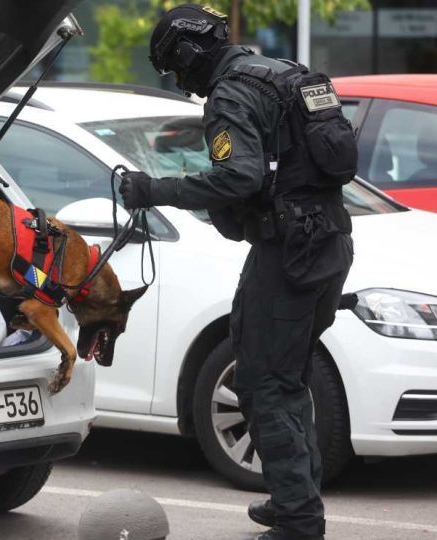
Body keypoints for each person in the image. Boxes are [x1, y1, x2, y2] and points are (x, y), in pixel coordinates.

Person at [119, 4, 356, 540]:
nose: (184, 84)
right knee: (287, 379)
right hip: (330, 245)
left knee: (263, 382)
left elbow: (241, 177)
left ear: (188, 53)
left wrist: (156, 190)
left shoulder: (231, 92)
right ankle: (293, 494)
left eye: (177, 71)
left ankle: (297, 518)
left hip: (288, 254)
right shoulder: (287, 74)